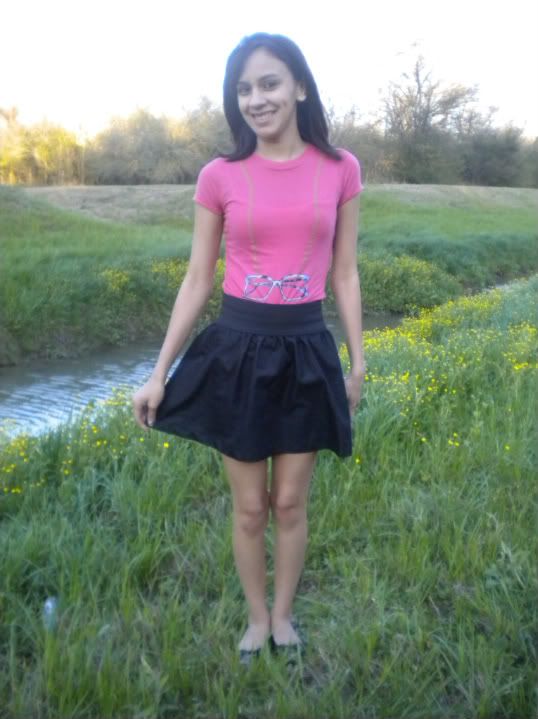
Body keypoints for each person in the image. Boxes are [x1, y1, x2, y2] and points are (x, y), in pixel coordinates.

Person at [132, 31, 366, 665]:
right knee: (249, 507)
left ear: (299, 87)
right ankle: (256, 619)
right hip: (236, 353)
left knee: (289, 501)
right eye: (243, 89)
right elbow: (197, 279)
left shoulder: (340, 169)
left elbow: (344, 272)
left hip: (306, 351)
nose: (256, 99)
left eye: (269, 83)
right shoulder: (219, 176)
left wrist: (358, 361)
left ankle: (284, 615)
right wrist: (158, 373)